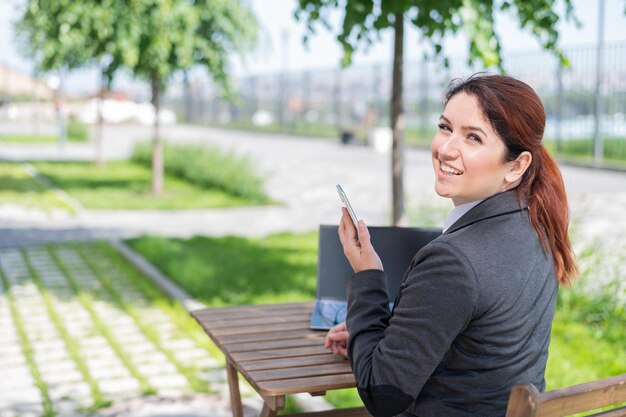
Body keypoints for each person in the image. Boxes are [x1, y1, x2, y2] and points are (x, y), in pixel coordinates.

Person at [325, 73, 578, 417]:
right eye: (445, 127)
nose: (445, 149)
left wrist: (367, 275)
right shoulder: (536, 229)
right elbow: (476, 344)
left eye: (473, 137)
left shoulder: (453, 261)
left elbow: (382, 394)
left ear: (516, 166)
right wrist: (370, 335)